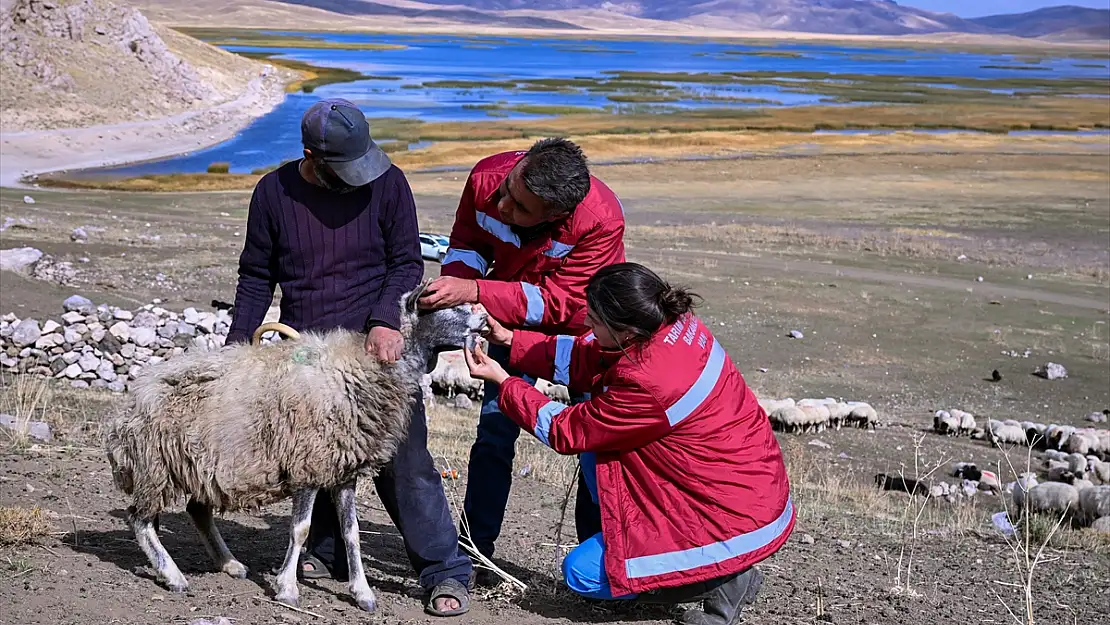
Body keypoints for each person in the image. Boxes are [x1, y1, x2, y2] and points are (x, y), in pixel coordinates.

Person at [224, 98, 473, 617]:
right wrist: (238, 344)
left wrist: (385, 319)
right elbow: (255, 275)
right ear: (311, 155)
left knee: (404, 458)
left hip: (372, 347)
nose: (357, 177)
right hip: (304, 349)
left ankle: (443, 571)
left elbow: (406, 261)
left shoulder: (388, 182)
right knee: (313, 454)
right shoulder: (273, 192)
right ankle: (326, 550)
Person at [462, 262, 794, 625]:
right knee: (597, 451)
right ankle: (660, 557)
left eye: (594, 321)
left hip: (726, 515)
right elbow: (590, 357)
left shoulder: (650, 382)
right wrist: (511, 340)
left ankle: (722, 581)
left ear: (626, 331)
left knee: (582, 575)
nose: (587, 327)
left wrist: (504, 381)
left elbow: (565, 429)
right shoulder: (667, 326)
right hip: (733, 486)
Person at [416, 137, 626, 581]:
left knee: (594, 444)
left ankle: (601, 565)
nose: (502, 203)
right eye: (509, 187)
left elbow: (567, 305)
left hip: (582, 336)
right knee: (494, 432)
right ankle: (474, 552)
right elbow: (467, 246)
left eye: (519, 205)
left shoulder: (600, 221)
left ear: (556, 216)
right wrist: (456, 289)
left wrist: (478, 292)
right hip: (498, 319)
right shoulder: (485, 178)